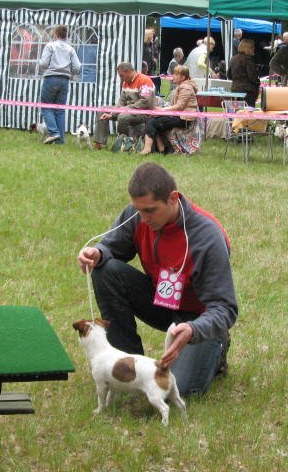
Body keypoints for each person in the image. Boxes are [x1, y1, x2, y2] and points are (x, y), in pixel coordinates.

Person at [76, 163, 237, 396]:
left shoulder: (207, 237)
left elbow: (225, 308)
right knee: (106, 270)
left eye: (150, 210)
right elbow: (111, 247)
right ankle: (126, 365)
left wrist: (194, 329)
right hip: (161, 303)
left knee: (177, 390)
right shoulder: (137, 215)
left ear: (173, 198)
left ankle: (217, 348)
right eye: (138, 210)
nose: (143, 218)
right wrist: (97, 253)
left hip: (197, 320)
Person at [92, 62, 155, 149]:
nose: (120, 78)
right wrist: (113, 113)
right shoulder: (125, 82)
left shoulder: (144, 80)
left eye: (121, 75)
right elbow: (122, 101)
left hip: (143, 112)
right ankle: (99, 143)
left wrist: (124, 109)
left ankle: (125, 143)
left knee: (122, 117)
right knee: (102, 110)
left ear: (129, 71)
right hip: (128, 110)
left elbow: (145, 102)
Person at [139, 65, 197, 155]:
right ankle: (161, 147)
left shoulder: (185, 88)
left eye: (176, 74)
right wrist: (162, 110)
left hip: (183, 119)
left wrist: (163, 110)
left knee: (152, 122)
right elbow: (175, 106)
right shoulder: (182, 86)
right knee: (150, 118)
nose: (173, 76)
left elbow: (180, 106)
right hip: (178, 116)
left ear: (183, 77)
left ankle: (147, 149)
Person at [38, 25, 81, 145]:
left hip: (51, 78)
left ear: (55, 34)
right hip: (64, 80)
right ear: (66, 36)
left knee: (46, 107)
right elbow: (77, 67)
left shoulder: (50, 46)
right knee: (60, 110)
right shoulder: (70, 48)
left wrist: (40, 64)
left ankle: (53, 132)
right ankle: (61, 140)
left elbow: (43, 63)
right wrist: (70, 72)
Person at [227, 39, 260, 107]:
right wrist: (258, 82)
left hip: (235, 89)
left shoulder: (233, 58)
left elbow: (229, 75)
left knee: (237, 109)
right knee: (248, 110)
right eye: (252, 47)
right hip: (248, 91)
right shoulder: (248, 60)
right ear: (247, 48)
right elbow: (252, 76)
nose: (254, 49)